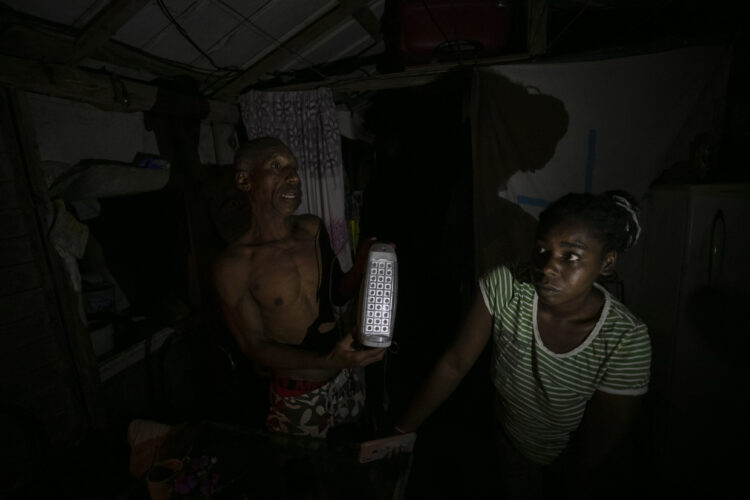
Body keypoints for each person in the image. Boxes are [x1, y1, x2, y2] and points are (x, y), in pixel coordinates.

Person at [395, 191, 651, 498]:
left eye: (571, 256)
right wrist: (399, 433)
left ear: (606, 263)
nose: (547, 267)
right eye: (542, 249)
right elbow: (455, 363)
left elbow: (597, 442)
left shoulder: (626, 339)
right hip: (511, 442)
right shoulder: (506, 286)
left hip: (577, 461)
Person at [213, 137, 385, 438]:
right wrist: (327, 360)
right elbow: (254, 346)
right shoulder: (234, 265)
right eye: (276, 166)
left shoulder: (312, 228)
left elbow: (336, 295)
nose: (293, 176)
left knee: (356, 460)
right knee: (305, 478)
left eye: (293, 167)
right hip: (299, 393)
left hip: (346, 377)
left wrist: (359, 268)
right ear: (244, 179)